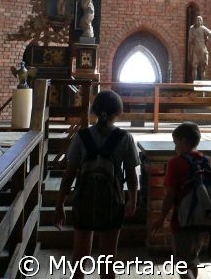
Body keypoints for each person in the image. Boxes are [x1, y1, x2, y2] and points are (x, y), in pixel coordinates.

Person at [54, 90, 140, 279]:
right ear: (118, 111)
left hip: (83, 200)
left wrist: (60, 203)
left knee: (79, 259)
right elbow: (132, 177)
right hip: (113, 202)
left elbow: (68, 176)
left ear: (94, 110)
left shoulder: (82, 137)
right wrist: (133, 200)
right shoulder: (125, 138)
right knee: (108, 262)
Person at [152, 122, 211, 279]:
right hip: (204, 221)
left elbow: (170, 195)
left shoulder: (176, 163)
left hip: (183, 222)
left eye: (175, 143)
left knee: (183, 264)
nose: (175, 147)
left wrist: (161, 218)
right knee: (193, 260)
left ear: (182, 141)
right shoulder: (208, 161)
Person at [188, 15, 211, 82]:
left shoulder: (203, 28)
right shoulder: (192, 28)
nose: (199, 21)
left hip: (202, 49)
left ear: (202, 21)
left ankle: (203, 81)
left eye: (200, 20)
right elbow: (190, 40)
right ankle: (194, 82)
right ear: (195, 21)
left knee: (203, 67)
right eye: (197, 20)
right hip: (195, 50)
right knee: (194, 66)